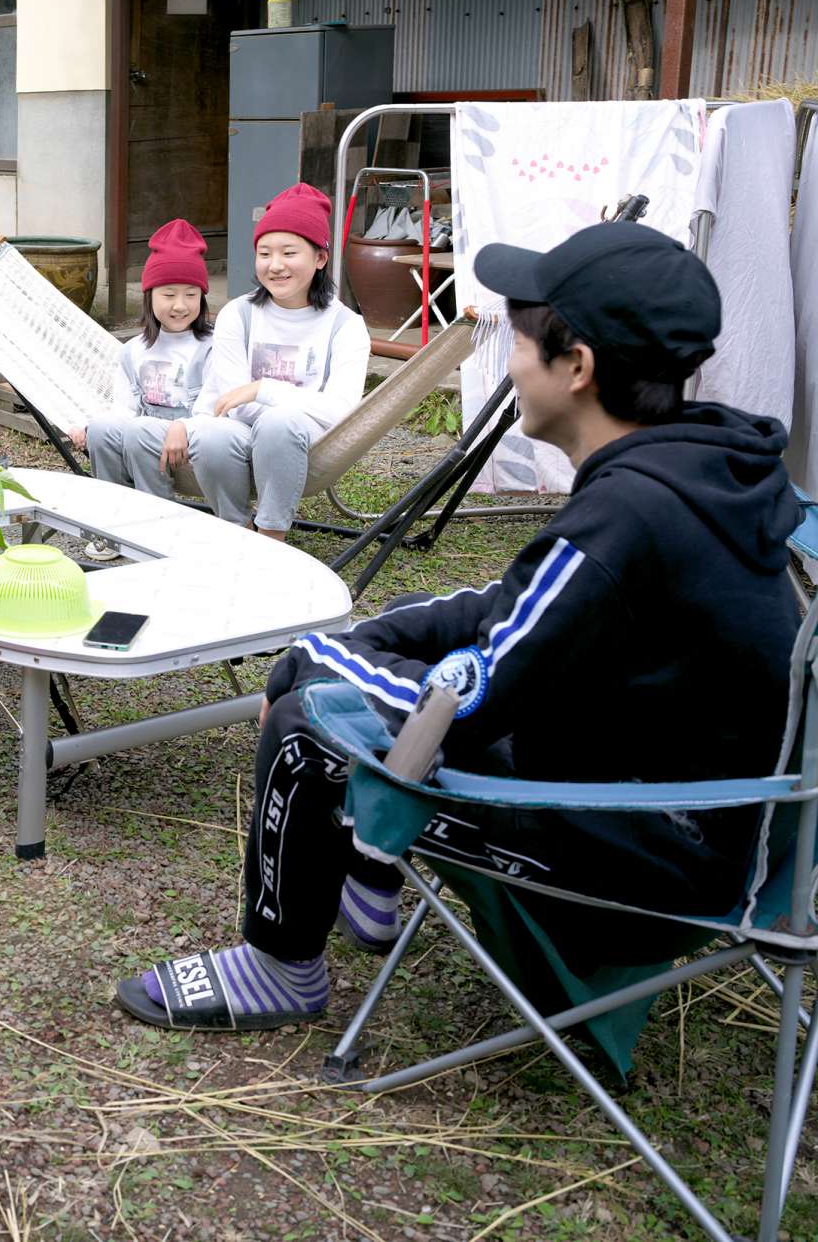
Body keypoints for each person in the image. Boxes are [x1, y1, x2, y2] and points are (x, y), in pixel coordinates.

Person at [115, 222, 801, 1031]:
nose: (509, 363)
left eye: (518, 343)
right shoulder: (691, 466)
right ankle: (368, 885)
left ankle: (281, 968)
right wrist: (348, 643)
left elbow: (467, 700)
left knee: (309, 728)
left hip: (652, 869)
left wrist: (319, 663)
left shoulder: (630, 516)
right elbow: (508, 608)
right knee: (350, 666)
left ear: (575, 368)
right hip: (698, 815)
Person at [189, 183, 370, 538]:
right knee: (211, 433)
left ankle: (272, 538)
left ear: (320, 258)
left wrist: (263, 389)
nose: (275, 266)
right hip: (243, 435)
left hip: (307, 442)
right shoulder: (238, 315)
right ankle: (237, 530)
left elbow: (342, 412)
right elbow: (230, 404)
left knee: (280, 422)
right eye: (264, 253)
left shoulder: (345, 326)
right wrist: (276, 403)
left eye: (289, 253)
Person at [68, 217, 214, 546]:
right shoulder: (134, 351)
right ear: (149, 296)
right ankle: (113, 523)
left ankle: (159, 528)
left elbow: (215, 409)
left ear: (202, 298)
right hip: (142, 436)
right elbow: (125, 408)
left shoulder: (211, 348)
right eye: (169, 294)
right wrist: (91, 425)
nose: (180, 305)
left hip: (192, 440)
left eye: (191, 294)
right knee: (106, 428)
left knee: (139, 431)